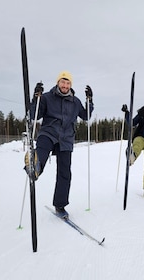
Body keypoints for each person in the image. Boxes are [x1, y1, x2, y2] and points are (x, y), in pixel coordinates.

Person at [25, 71, 94, 218]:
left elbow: (86, 116)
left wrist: (90, 101)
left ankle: (60, 205)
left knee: (65, 173)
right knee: (42, 150)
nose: (65, 85)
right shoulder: (47, 98)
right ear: (58, 83)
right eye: (63, 82)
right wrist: (36, 98)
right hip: (49, 132)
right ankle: (34, 166)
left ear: (70, 85)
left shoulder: (75, 102)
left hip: (66, 138)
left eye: (68, 83)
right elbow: (34, 115)